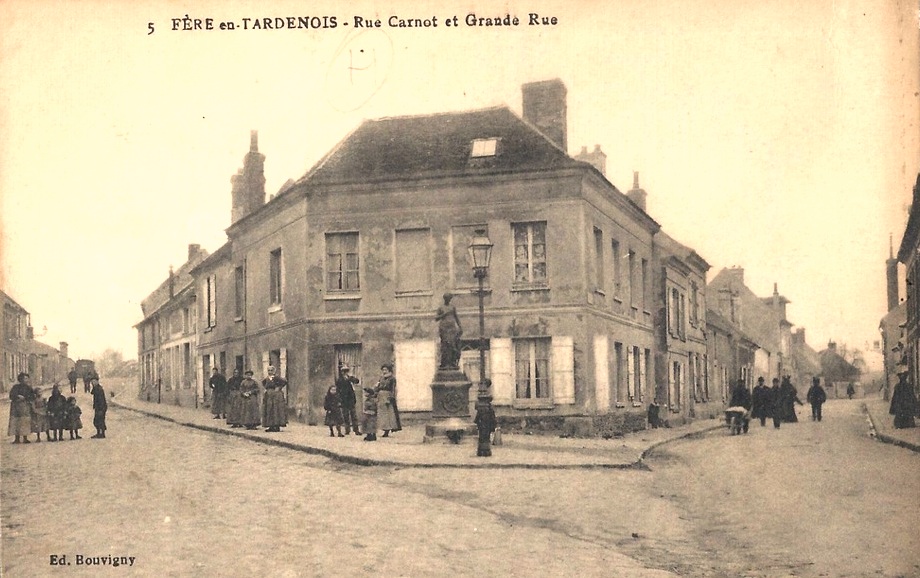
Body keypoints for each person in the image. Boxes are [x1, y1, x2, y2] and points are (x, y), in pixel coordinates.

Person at [435, 293, 463, 370]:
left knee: (452, 344)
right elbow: (436, 318)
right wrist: (443, 315)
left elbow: (456, 317)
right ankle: (444, 363)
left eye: (449, 298)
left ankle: (452, 363)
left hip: (452, 328)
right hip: (444, 328)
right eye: (447, 298)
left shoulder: (452, 307)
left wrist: (460, 327)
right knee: (445, 344)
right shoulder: (441, 308)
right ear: (445, 299)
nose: (448, 300)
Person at [8, 372, 35, 444]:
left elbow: (32, 397)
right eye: (25, 378)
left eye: (27, 378)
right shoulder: (15, 387)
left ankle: (25, 438)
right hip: (16, 407)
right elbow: (11, 395)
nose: (26, 380)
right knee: (16, 421)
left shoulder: (29, 388)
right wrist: (17, 396)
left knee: (25, 421)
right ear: (20, 379)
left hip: (25, 407)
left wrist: (25, 398)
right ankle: (17, 438)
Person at [375, 363, 400, 437]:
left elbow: (393, 389)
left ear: (389, 370)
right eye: (383, 370)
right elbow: (377, 387)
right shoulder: (381, 378)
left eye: (385, 370)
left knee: (388, 414)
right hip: (381, 396)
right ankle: (384, 429)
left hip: (387, 396)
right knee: (382, 414)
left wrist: (391, 397)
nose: (384, 371)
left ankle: (387, 430)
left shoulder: (392, 378)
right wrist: (376, 392)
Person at [262, 365, 288, 433]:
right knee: (269, 410)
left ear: (274, 371)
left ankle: (277, 426)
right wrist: (267, 390)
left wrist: (279, 388)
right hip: (269, 396)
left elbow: (285, 382)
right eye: (269, 370)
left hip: (276, 396)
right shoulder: (266, 379)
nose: (270, 372)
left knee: (276, 409)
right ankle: (270, 426)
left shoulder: (277, 378)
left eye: (271, 370)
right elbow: (264, 384)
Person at [336, 365, 361, 435]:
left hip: (351, 399)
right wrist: (339, 400)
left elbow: (357, 381)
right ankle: (347, 430)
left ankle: (356, 430)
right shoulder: (339, 380)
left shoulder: (351, 378)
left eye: (346, 371)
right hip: (344, 400)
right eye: (344, 371)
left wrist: (351, 378)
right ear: (341, 372)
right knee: (346, 415)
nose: (345, 372)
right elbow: (338, 390)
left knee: (354, 415)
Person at [473, 389, 497, 457]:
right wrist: (494, 424)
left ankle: (481, 452)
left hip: (482, 425)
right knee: (486, 438)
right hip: (487, 425)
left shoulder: (481, 408)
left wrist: (477, 423)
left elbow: (477, 417)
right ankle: (486, 452)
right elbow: (492, 417)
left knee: (482, 437)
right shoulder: (489, 407)